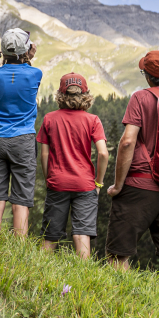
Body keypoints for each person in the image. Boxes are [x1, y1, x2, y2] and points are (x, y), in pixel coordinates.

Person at [106, 50, 159, 290]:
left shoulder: (141, 98)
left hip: (140, 185)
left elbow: (127, 142)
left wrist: (118, 185)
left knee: (118, 255)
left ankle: (117, 309)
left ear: (148, 76)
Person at [38, 73, 108, 258]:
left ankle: (39, 274)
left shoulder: (49, 119)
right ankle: (83, 277)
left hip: (57, 182)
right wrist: (98, 183)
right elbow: (103, 153)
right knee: (82, 233)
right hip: (85, 185)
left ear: (61, 94)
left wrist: (48, 179)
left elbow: (44, 154)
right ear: (85, 94)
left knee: (51, 235)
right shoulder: (93, 120)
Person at [0, 28, 42, 237]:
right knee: (21, 200)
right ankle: (18, 250)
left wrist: (20, 56)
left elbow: (7, 71)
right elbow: (26, 73)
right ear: (27, 50)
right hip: (23, 140)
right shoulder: (35, 73)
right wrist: (29, 57)